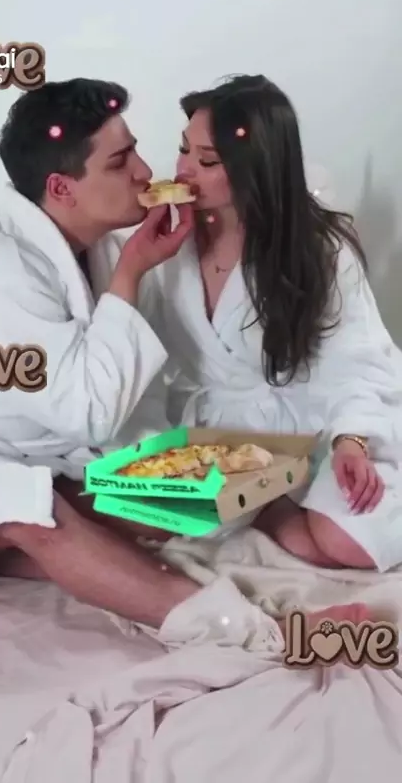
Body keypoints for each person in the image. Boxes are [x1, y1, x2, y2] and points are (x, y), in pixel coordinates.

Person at [0, 76, 372, 643]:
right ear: (61, 188)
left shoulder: (97, 247)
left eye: (135, 150)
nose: (146, 171)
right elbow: (90, 413)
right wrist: (132, 272)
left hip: (53, 457)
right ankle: (260, 633)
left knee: (191, 498)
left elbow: (132, 392)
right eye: (120, 162)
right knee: (31, 509)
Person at [146, 73, 402, 573]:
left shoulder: (319, 249)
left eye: (207, 161)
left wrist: (352, 440)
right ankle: (272, 509)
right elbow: (141, 356)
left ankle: (279, 506)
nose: (184, 170)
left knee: (351, 541)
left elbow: (358, 361)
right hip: (225, 440)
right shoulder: (168, 243)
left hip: (322, 420)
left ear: (254, 165)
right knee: (161, 516)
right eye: (183, 150)